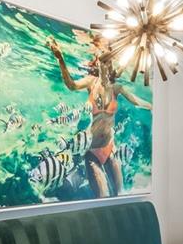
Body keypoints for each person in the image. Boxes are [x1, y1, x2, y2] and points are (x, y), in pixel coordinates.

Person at [48, 36, 151, 197]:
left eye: (107, 62)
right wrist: (61, 59)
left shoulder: (117, 87)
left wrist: (152, 106)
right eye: (101, 62)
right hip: (92, 151)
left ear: (110, 66)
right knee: (102, 197)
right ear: (98, 64)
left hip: (110, 149)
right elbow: (71, 85)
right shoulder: (91, 82)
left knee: (119, 193)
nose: (104, 66)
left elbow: (136, 101)